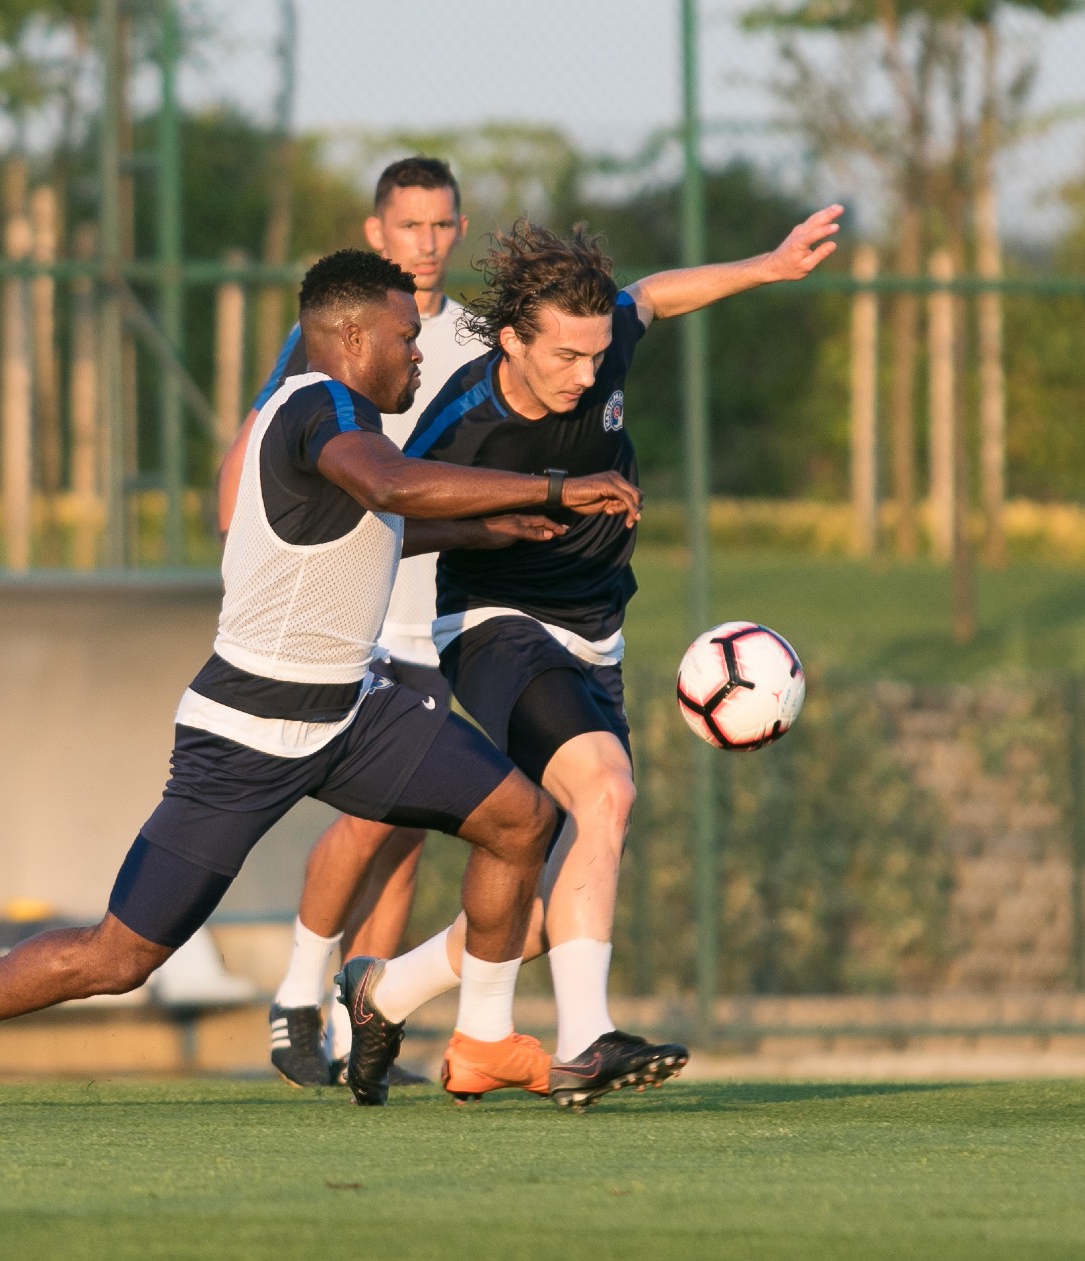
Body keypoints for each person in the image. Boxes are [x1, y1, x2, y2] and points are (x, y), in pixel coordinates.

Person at [0, 249, 644, 1112]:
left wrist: (483, 530)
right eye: (405, 336)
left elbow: (366, 526)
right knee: (118, 957)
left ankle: (485, 1039)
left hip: (350, 714)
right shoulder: (320, 406)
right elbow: (387, 487)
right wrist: (555, 488)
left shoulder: (349, 423)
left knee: (520, 819)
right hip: (249, 727)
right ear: (353, 337)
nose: (419, 352)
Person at [343, 209, 844, 1111]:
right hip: (493, 626)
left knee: (556, 894)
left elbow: (649, 297)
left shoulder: (600, 345)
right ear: (512, 340)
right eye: (566, 357)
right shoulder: (465, 419)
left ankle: (387, 993)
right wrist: (492, 523)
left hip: (596, 636)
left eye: (596, 355)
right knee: (606, 793)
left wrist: (768, 267)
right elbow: (384, 522)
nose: (587, 373)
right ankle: (585, 1046)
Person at [216, 158, 491, 1088]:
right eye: (409, 225)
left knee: (409, 832)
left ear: (460, 230)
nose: (427, 242)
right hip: (367, 619)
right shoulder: (336, 339)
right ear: (378, 233)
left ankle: (361, 1020)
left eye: (441, 224)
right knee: (371, 822)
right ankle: (299, 994)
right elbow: (252, 457)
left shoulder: (478, 335)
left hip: (443, 614)